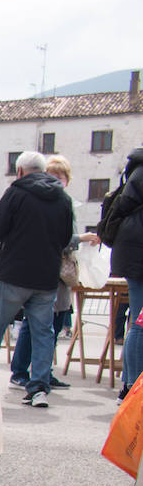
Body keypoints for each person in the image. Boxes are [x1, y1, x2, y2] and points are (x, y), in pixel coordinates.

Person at [0, 151, 74, 408]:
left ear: (19, 171)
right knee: (43, 333)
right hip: (46, 277)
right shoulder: (62, 198)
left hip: (14, 274)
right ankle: (39, 387)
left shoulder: (16, 193)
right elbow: (66, 237)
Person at [8, 155, 95, 390]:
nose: (57, 180)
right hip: (46, 270)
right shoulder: (46, 201)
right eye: (53, 175)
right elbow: (57, 237)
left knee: (52, 325)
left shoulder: (62, 201)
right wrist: (81, 238)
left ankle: (43, 372)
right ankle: (21, 371)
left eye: (61, 176)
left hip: (60, 273)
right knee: (35, 322)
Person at [112, 147, 143, 393]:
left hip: (132, 251)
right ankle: (133, 386)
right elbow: (125, 205)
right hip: (137, 253)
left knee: (138, 321)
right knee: (140, 322)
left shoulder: (136, 170)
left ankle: (129, 384)